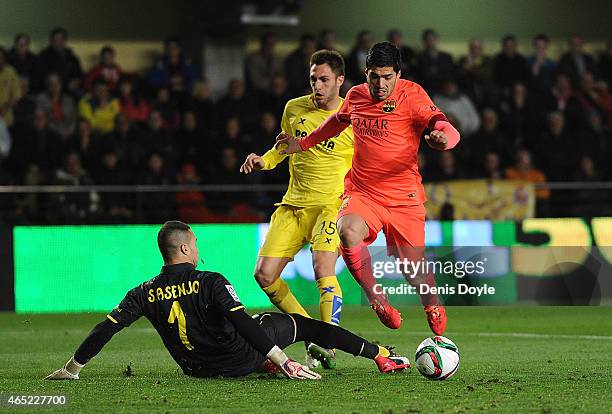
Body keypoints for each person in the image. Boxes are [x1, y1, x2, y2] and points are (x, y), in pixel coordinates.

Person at [45, 221, 410, 380]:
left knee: (262, 324)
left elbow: (105, 329)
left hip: (196, 369)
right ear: (186, 248)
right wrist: (284, 361)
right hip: (237, 360)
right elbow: (242, 322)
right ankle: (379, 356)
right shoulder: (211, 281)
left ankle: (266, 363)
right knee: (302, 325)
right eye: (196, 242)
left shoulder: (142, 292)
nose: (198, 247)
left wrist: (73, 366)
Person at [277, 42, 460, 335]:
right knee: (347, 231)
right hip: (364, 193)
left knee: (413, 269)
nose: (380, 83)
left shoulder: (412, 95)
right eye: (374, 76)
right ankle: (377, 299)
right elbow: (336, 122)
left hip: (404, 198)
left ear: (398, 74)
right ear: (366, 74)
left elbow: (443, 124)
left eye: (387, 76)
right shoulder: (356, 96)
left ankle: (432, 303)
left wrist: (445, 139)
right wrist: (302, 143)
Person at [240, 50, 354, 368]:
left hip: (331, 207)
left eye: (324, 79)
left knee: (322, 268)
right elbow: (283, 147)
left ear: (340, 81)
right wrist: (264, 160)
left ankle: (329, 340)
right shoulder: (294, 108)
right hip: (293, 206)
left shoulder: (354, 116)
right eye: (313, 79)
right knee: (264, 275)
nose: (317, 85)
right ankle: (312, 333)